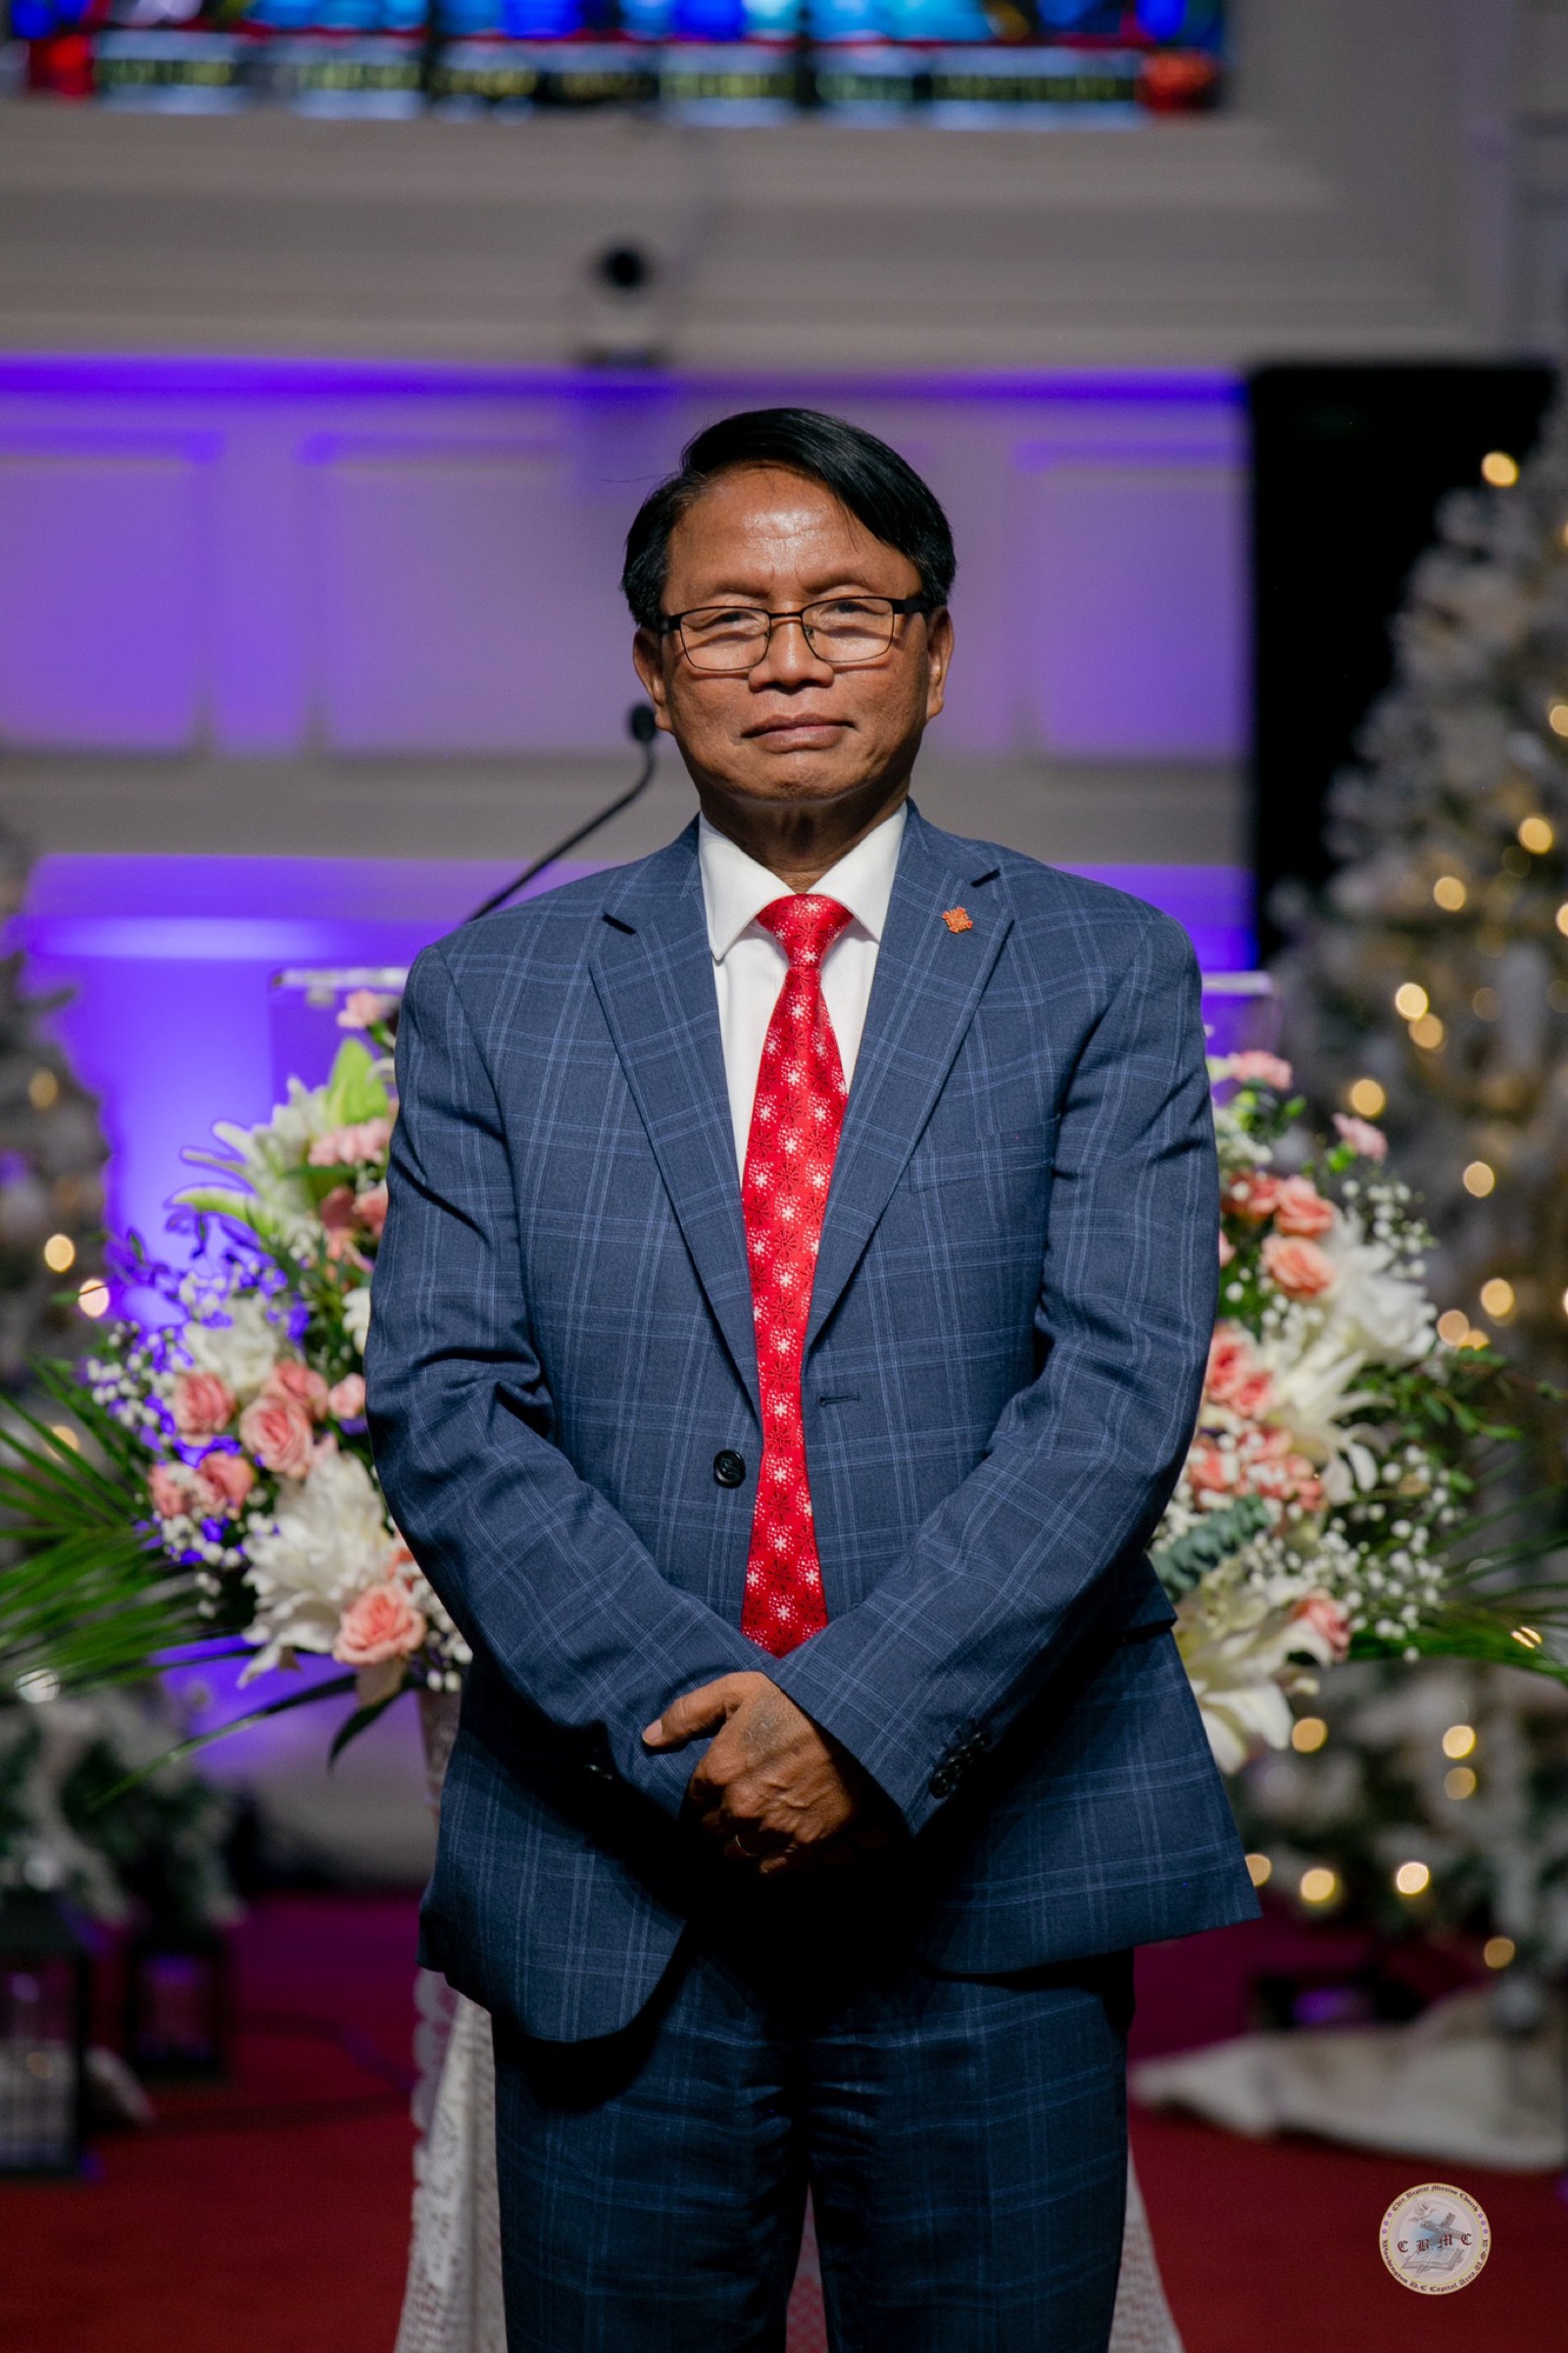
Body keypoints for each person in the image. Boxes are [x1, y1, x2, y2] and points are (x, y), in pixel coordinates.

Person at [367, 407, 1257, 2353]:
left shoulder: (1097, 972)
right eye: (730, 619)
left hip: (987, 1865)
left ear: (934, 651)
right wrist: (700, 1738)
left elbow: (1114, 1394)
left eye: (846, 610)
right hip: (616, 1869)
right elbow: (444, 1401)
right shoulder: (493, 997)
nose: (788, 659)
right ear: (651, 665)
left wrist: (855, 1721)